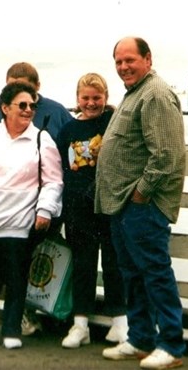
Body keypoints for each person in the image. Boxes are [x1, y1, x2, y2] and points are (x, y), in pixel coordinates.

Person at [0, 61, 72, 337]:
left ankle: (20, 315)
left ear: (38, 88)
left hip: (37, 209)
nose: (24, 104)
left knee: (24, 268)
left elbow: (74, 145)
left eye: (27, 93)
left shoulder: (57, 113)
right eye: (11, 88)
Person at [95, 37, 186, 369]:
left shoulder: (156, 94)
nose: (123, 67)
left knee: (155, 273)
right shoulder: (135, 94)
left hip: (142, 205)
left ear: (148, 59)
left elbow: (166, 155)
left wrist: (141, 193)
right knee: (131, 273)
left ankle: (172, 345)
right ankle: (141, 338)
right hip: (123, 205)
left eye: (129, 60)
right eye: (118, 62)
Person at [56, 73, 127, 349]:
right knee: (83, 265)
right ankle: (80, 324)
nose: (91, 103)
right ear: (77, 99)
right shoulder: (68, 131)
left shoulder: (111, 123)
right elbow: (60, 170)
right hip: (77, 208)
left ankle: (119, 323)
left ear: (106, 98)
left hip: (108, 205)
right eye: (85, 98)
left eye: (97, 98)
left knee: (113, 263)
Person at [0, 62, 73, 150]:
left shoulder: (57, 111)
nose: (16, 92)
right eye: (11, 87)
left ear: (37, 86)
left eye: (23, 87)